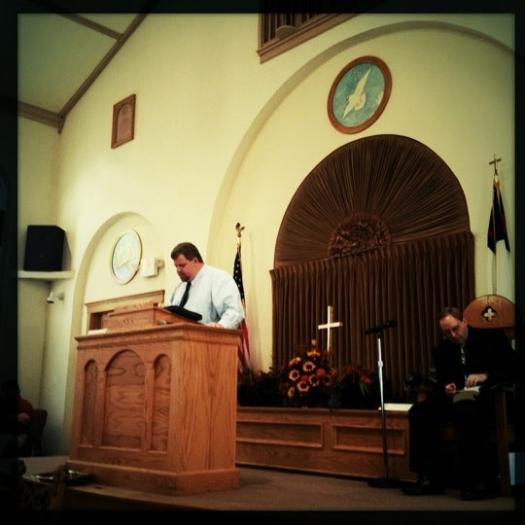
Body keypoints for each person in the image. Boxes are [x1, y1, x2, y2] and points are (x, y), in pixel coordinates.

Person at [402, 306, 519, 501]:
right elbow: (442, 381)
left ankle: (477, 482)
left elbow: (514, 368)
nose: (453, 335)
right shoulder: (442, 350)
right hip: (456, 398)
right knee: (419, 411)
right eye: (447, 332)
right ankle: (429, 478)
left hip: (487, 397)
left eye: (455, 328)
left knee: (466, 411)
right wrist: (446, 387)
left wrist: (485, 376)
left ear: (464, 321)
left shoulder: (492, 338)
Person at [168, 242, 244, 329]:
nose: (178, 270)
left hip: (210, 336)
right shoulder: (179, 288)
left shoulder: (218, 279)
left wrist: (220, 326)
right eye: (176, 266)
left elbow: (234, 311)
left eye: (182, 265)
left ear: (195, 261)